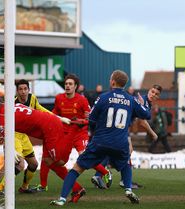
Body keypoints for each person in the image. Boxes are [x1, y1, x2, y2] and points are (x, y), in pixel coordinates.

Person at [50, 70, 151, 206]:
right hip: (120, 143)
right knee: (126, 163)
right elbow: (147, 115)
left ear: (113, 81)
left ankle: (62, 199)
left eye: (110, 79)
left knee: (76, 169)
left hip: (100, 142)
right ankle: (128, 189)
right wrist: (142, 104)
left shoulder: (103, 97)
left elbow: (91, 119)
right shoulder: (131, 99)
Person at [35, 74, 111, 192]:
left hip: (79, 133)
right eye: (66, 84)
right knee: (49, 157)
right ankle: (43, 185)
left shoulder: (82, 100)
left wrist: (81, 121)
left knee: (84, 156)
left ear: (76, 86)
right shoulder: (59, 98)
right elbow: (55, 114)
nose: (67, 86)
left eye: (70, 84)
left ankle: (105, 172)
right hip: (64, 134)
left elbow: (90, 119)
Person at [0, 103, 86, 202]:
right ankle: (77, 188)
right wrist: (59, 118)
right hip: (47, 126)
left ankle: (74, 129)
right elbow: (41, 111)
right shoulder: (16, 104)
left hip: (49, 127)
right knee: (48, 162)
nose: (23, 92)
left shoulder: (3, 116)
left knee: (60, 161)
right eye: (20, 89)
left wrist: (11, 152)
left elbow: (6, 137)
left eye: (25, 89)